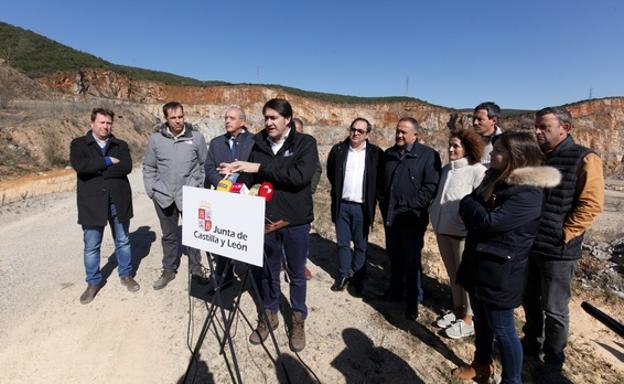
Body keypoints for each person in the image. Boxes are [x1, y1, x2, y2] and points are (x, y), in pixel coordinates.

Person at [452, 131, 561, 384]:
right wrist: (471, 203)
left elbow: (490, 223)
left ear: (517, 156)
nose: (492, 154)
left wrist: (468, 204)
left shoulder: (529, 192)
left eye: (499, 150)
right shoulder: (497, 179)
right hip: (479, 264)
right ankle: (482, 365)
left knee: (503, 330)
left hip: (501, 271)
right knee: (481, 320)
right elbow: (478, 209)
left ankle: (512, 380)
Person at [218, 98, 319, 353]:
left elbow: (299, 177)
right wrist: (234, 177)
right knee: (267, 271)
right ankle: (270, 314)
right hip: (265, 220)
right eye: (266, 117)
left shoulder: (305, 143)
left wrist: (260, 167)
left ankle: (297, 319)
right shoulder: (259, 142)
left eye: (274, 118)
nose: (269, 122)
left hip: (295, 220)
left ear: (287, 119)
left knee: (296, 273)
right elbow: (253, 176)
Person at [522, 107, 604, 382]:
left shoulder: (585, 158)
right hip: (531, 244)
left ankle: (554, 361)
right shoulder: (536, 158)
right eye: (537, 126)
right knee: (529, 298)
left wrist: (564, 234)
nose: (537, 132)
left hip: (559, 251)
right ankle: (531, 342)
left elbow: (591, 204)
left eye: (544, 127)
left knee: (555, 309)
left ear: (564, 129)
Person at [70, 107, 139, 304]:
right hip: (91, 203)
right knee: (92, 246)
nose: (106, 126)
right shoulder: (79, 144)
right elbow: (81, 167)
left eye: (109, 123)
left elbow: (126, 167)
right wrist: (107, 161)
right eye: (102, 122)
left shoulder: (120, 144)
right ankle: (93, 282)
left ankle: (126, 275)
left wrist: (97, 168)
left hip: (118, 200)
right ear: (92, 123)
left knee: (123, 240)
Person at [379, 117, 441, 320]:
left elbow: (431, 186)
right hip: (391, 217)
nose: (398, 135)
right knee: (394, 256)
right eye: (397, 131)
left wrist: (412, 204)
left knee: (412, 260)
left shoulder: (428, 155)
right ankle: (395, 291)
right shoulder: (389, 154)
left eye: (403, 132)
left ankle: (413, 301)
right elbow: (382, 182)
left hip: (412, 219)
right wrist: (384, 202)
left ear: (415, 134)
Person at [143, 101, 208, 290]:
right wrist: (152, 190)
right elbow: (149, 166)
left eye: (180, 116)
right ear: (166, 119)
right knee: (169, 235)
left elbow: (204, 164)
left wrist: (198, 187)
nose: (178, 121)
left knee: (194, 235)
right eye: (173, 118)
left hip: (189, 195)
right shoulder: (156, 139)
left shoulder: (196, 138)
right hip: (163, 196)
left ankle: (196, 270)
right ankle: (169, 270)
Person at [429, 129, 486, 338]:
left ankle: (469, 319)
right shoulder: (446, 170)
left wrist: (467, 223)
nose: (451, 149)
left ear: (468, 148)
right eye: (450, 145)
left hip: (463, 233)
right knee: (453, 275)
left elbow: (481, 203)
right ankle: (457, 310)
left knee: (467, 278)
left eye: (456, 146)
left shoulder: (477, 171)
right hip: (443, 229)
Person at [326, 117, 383, 294]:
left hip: (362, 207)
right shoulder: (338, 150)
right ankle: (343, 275)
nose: (356, 133)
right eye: (354, 129)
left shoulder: (375, 153)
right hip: (342, 205)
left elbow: (380, 179)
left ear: (367, 134)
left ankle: (358, 279)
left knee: (360, 245)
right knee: (343, 243)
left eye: (361, 131)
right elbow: (331, 173)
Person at [204, 106, 254, 290]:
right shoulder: (217, 143)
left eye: (232, 118)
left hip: (245, 198)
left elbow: (257, 168)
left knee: (245, 238)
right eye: (226, 117)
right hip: (222, 199)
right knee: (223, 239)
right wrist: (221, 184)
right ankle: (223, 276)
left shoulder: (254, 142)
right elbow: (209, 168)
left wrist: (239, 184)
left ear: (242, 121)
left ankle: (250, 275)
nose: (227, 121)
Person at [472, 102, 503, 167]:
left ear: (494, 120)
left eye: (480, 119)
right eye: (474, 118)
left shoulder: (504, 144)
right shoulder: (466, 141)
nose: (475, 122)